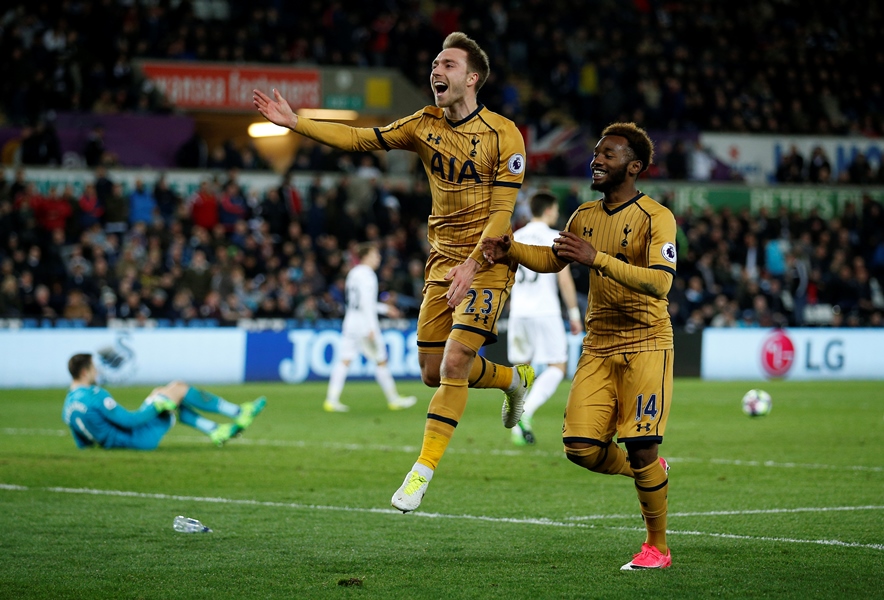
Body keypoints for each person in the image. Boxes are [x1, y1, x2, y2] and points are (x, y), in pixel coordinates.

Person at [254, 31, 535, 513]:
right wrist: (296, 122)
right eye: (434, 63)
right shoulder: (423, 124)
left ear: (472, 78)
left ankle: (420, 473)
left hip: (487, 263)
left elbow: (502, 213)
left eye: (447, 64)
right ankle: (512, 379)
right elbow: (362, 138)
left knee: (452, 364)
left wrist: (474, 265)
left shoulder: (504, 135)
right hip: (441, 262)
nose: (436, 70)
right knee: (432, 373)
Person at [481, 122, 676, 571]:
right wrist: (509, 249)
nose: (596, 160)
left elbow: (660, 283)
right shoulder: (583, 217)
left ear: (634, 166)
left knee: (642, 442)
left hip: (647, 342)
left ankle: (656, 547)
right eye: (596, 153)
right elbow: (553, 259)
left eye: (608, 154)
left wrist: (597, 259)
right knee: (580, 447)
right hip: (599, 344)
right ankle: (648, 473)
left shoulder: (656, 217)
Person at [62, 353, 266, 450]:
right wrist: (156, 405)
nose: (97, 371)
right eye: (93, 367)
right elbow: (129, 421)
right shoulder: (94, 395)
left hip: (118, 442)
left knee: (164, 392)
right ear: (84, 372)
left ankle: (216, 430)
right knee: (178, 388)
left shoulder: (68, 407)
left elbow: (83, 443)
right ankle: (238, 412)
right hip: (137, 439)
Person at [506, 191, 583, 446]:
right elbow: (564, 279)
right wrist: (573, 313)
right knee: (557, 367)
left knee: (521, 370)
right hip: (545, 310)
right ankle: (525, 413)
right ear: (549, 210)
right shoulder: (555, 238)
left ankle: (517, 428)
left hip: (519, 311)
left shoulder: (516, 237)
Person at [324, 243, 418, 413]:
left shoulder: (353, 273)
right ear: (366, 256)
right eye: (375, 255)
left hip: (350, 320)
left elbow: (359, 302)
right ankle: (394, 399)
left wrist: (385, 309)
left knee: (344, 360)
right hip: (364, 324)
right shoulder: (368, 275)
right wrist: (371, 327)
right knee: (381, 360)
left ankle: (331, 400)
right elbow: (366, 304)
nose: (378, 258)